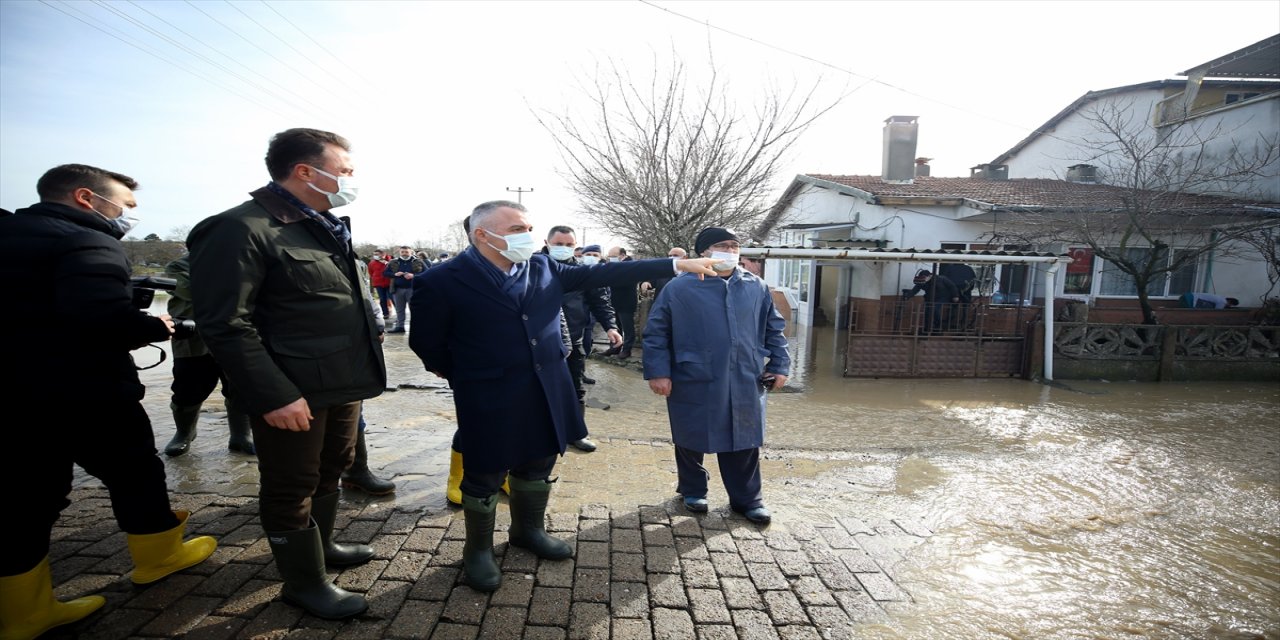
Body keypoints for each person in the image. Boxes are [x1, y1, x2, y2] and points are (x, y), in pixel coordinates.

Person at [409, 199, 717, 592]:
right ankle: (478, 550)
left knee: (540, 458)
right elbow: (427, 343)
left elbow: (610, 270)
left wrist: (675, 264)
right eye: (517, 229)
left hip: (548, 383)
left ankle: (528, 531)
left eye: (528, 227)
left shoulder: (543, 267)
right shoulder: (442, 279)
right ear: (483, 235)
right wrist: (466, 374)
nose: (528, 236)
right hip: (486, 389)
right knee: (485, 469)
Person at [0, 164, 217, 639]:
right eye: (126, 204)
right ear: (86, 197)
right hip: (84, 390)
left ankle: (22, 613)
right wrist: (152, 326)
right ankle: (158, 558)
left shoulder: (12, 231)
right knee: (135, 471)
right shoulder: (87, 240)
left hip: (14, 392)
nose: (128, 214)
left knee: (28, 496)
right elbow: (100, 321)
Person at [187, 128, 386, 620]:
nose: (351, 178)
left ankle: (325, 548)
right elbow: (226, 324)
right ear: (304, 171)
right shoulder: (241, 228)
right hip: (290, 391)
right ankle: (304, 583)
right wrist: (274, 394)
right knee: (290, 483)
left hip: (341, 382)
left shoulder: (322, 224)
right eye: (344, 169)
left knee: (331, 467)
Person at [643, 227, 790, 526]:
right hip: (692, 373)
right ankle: (693, 489)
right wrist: (658, 372)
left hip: (745, 374)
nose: (730, 251)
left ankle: (748, 500)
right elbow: (656, 333)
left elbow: (774, 329)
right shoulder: (678, 288)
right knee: (691, 433)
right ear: (703, 253)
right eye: (722, 245)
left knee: (745, 437)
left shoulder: (755, 286)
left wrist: (779, 364)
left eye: (735, 245)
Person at [163, 254, 256, 457]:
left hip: (235, 335)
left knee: (240, 387)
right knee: (188, 388)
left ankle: (241, 436)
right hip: (193, 339)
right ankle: (184, 434)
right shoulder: (179, 265)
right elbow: (193, 292)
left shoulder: (243, 261)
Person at [543, 225, 623, 452]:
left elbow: (600, 302)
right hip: (539, 342)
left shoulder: (582, 272)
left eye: (569, 245)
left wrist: (611, 327)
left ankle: (577, 433)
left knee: (576, 387)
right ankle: (539, 433)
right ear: (547, 243)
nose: (564, 248)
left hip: (574, 339)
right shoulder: (533, 268)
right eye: (558, 244)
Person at [603, 246, 639, 358]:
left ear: (622, 255)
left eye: (613, 256)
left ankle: (627, 349)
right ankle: (615, 347)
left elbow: (625, 282)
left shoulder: (631, 266)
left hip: (626, 301)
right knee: (616, 326)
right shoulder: (615, 266)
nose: (611, 259)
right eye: (609, 257)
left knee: (627, 327)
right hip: (615, 301)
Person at [902, 269, 960, 334]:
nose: (923, 279)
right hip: (929, 298)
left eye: (924, 278)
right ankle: (927, 328)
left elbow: (952, 286)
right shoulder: (922, 281)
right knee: (927, 312)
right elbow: (915, 290)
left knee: (935, 309)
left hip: (942, 297)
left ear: (930, 276)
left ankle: (937, 328)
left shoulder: (942, 279)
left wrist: (955, 296)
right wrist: (908, 296)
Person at [387, 245, 427, 333]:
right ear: (399, 252)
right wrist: (395, 274)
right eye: (402, 252)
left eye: (406, 252)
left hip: (413, 289)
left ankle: (417, 327)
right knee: (399, 309)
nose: (404, 254)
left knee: (415, 309)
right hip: (397, 289)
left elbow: (427, 272)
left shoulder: (418, 261)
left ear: (411, 252)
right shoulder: (393, 262)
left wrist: (413, 276)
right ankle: (400, 327)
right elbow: (385, 273)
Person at [369, 249, 393, 321]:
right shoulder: (372, 263)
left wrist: (386, 263)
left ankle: (396, 312)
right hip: (378, 283)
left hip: (389, 283)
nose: (375, 256)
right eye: (374, 254)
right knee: (382, 299)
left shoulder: (390, 261)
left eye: (377, 254)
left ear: (383, 254)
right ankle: (385, 313)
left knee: (391, 297)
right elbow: (371, 273)